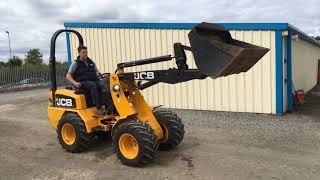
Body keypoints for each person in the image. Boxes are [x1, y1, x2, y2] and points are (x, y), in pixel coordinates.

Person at [66, 45, 105, 115]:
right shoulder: (76, 63)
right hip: (82, 83)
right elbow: (68, 75)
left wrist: (102, 79)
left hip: (93, 81)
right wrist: (75, 83)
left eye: (86, 52)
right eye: (83, 52)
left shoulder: (91, 62)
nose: (85, 54)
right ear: (79, 53)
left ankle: (107, 105)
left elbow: (97, 73)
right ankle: (98, 108)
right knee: (93, 85)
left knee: (104, 84)